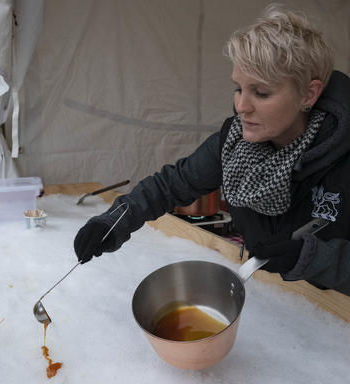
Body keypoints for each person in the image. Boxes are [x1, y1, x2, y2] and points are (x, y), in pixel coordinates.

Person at [74, 4, 350, 296]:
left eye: (262, 92)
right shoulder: (234, 142)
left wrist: (314, 258)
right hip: (272, 298)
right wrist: (114, 221)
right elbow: (169, 186)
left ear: (309, 93)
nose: (241, 107)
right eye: (238, 88)